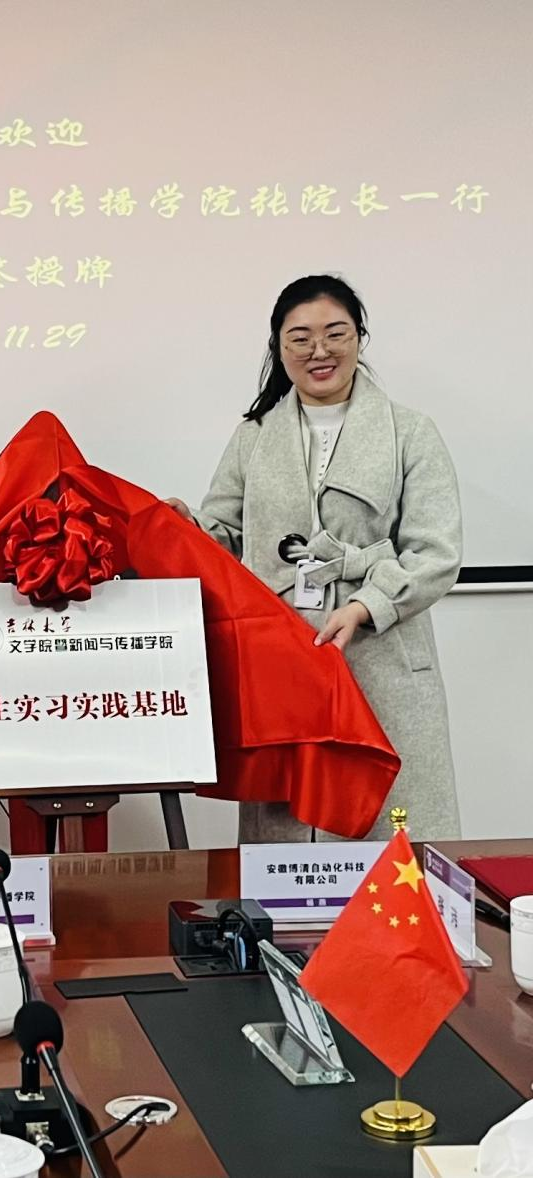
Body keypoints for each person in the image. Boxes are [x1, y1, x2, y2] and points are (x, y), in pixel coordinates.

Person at [168, 274, 461, 842]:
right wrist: (186, 527)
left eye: (335, 334)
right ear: (279, 349)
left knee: (389, 834)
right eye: (300, 338)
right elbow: (225, 533)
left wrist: (367, 605)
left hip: (381, 658)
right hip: (284, 659)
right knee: (289, 836)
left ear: (359, 338)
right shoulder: (254, 436)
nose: (319, 351)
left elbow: (435, 552)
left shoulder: (411, 433)